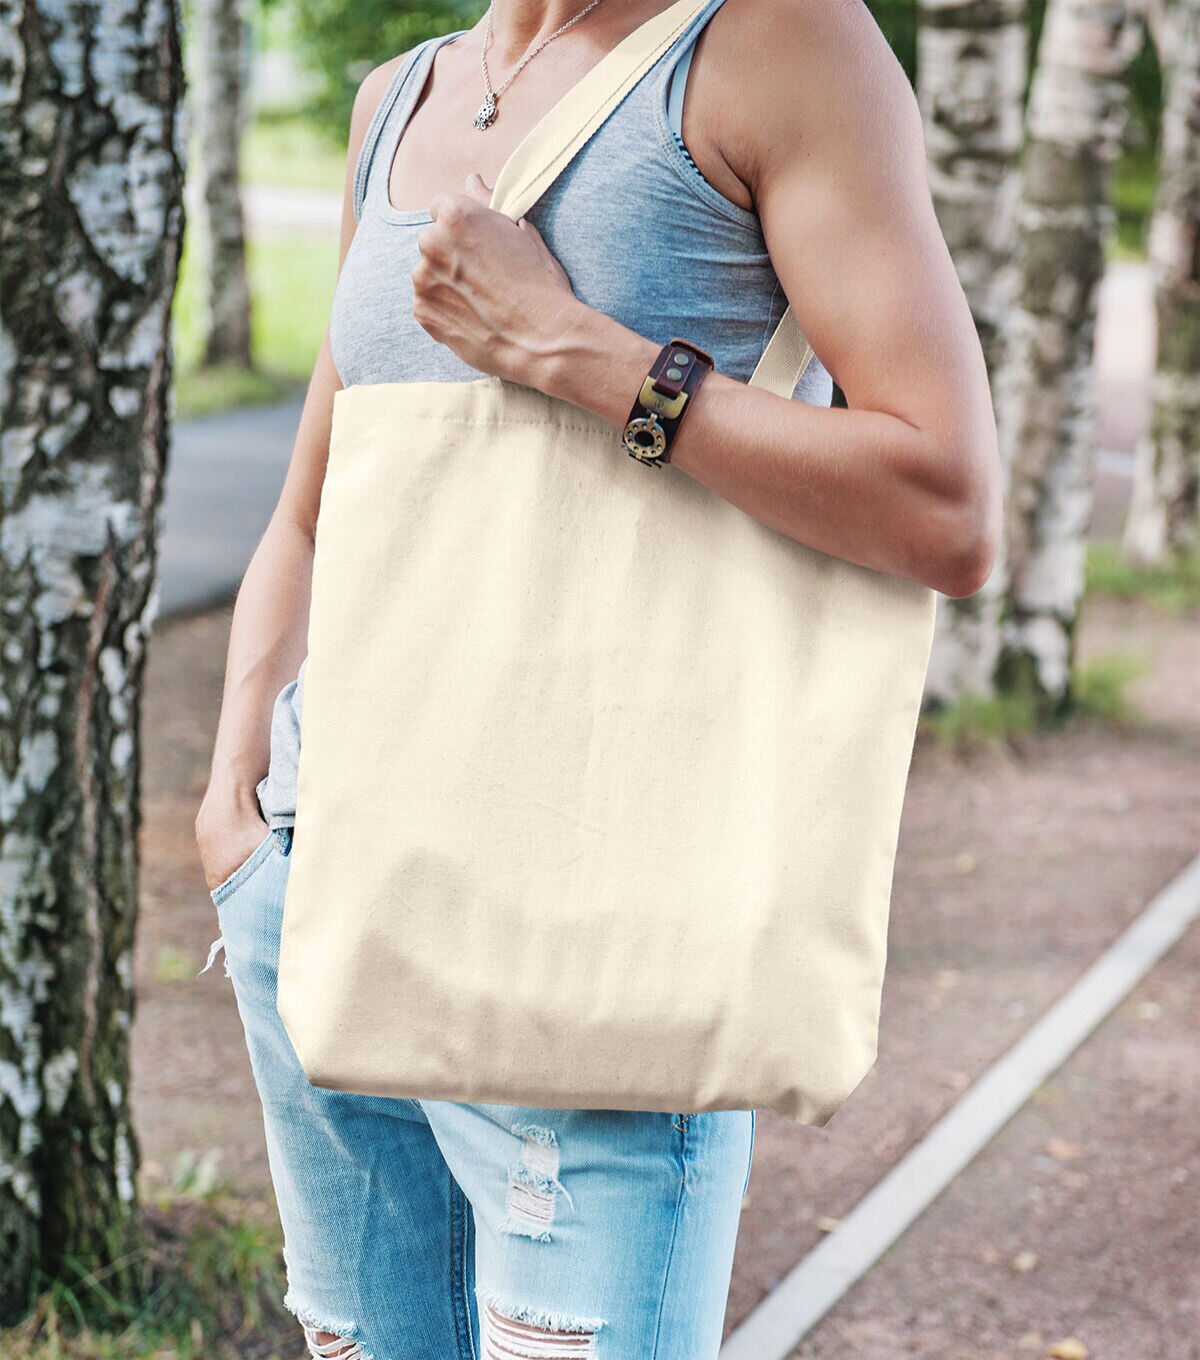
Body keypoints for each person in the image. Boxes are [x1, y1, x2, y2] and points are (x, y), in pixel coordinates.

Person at [195, 0, 1002, 1356]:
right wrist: (236, 807)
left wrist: (577, 353)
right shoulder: (398, 98)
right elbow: (311, 512)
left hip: (595, 942)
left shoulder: (777, 45)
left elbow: (947, 502)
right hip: (318, 899)